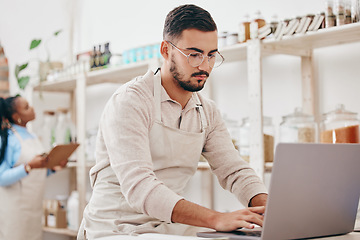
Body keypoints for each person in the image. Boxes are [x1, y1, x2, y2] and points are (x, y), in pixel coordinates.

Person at [78, 4, 268, 239]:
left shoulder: (207, 111)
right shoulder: (130, 101)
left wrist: (267, 208)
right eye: (194, 54)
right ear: (166, 50)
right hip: (116, 228)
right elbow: (140, 188)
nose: (204, 66)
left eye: (211, 55)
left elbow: (234, 170)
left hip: (167, 227)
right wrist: (217, 218)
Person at [0, 95, 67, 240]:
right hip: (15, 211)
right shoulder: (9, 138)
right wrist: (28, 166)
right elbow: (1, 178)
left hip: (34, 208)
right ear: (16, 116)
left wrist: (53, 167)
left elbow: (36, 173)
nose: (32, 109)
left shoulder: (32, 136)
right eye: (26, 107)